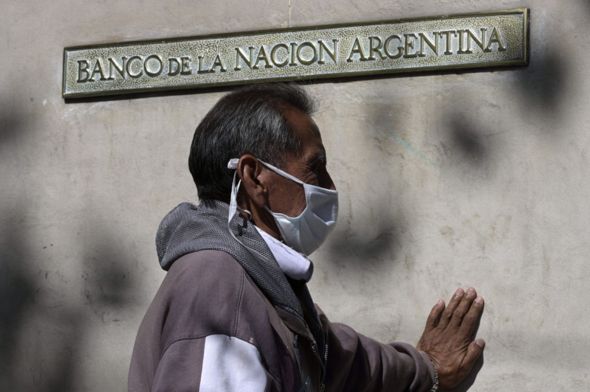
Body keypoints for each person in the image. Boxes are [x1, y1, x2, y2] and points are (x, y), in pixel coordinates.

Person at [128, 83, 485, 392]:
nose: (329, 187)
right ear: (255, 178)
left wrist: (426, 368)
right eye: (315, 168)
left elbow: (341, 360)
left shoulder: (260, 282)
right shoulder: (220, 287)